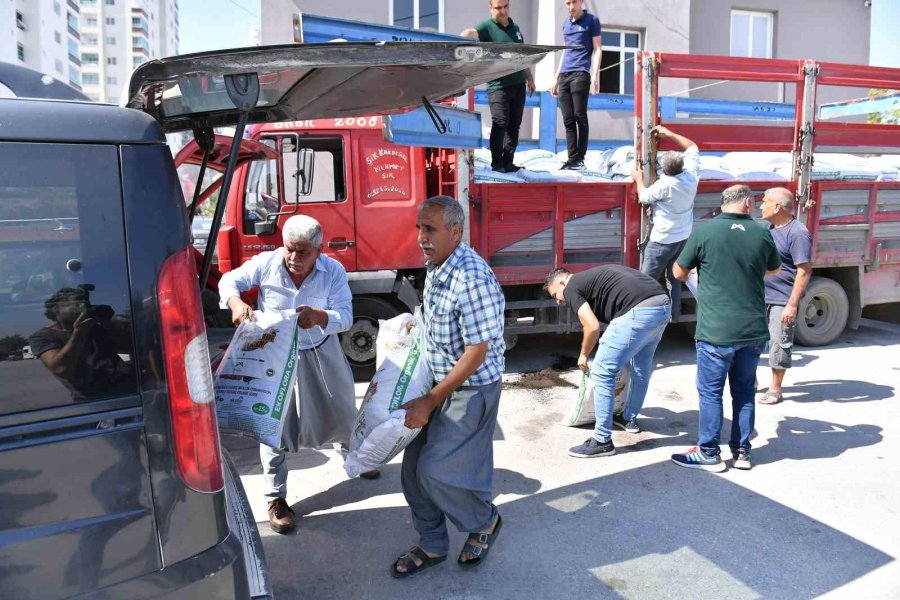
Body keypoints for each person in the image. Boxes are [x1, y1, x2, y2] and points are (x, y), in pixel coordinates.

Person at [218, 214, 367, 535]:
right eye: (289, 250)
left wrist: (320, 316)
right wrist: (235, 303)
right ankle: (276, 498)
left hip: (321, 351)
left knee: (342, 412)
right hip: (274, 354)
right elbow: (227, 281)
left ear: (319, 250)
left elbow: (346, 317)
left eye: (303, 252)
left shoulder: (334, 272)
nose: (294, 259)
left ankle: (355, 457)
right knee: (272, 425)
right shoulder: (266, 263)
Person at [391, 195, 506, 578]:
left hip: (470, 389)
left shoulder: (471, 276)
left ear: (455, 232)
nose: (421, 237)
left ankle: (484, 521)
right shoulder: (439, 264)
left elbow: (476, 351)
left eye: (430, 229)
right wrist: (416, 323)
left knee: (437, 471)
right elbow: (440, 318)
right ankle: (433, 545)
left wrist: (429, 400)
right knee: (412, 473)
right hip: (438, 383)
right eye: (419, 228)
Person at [671, 185, 781, 472]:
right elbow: (775, 269)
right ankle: (742, 452)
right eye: (754, 202)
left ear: (723, 205)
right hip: (752, 330)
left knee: (711, 392)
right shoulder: (762, 233)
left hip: (716, 331)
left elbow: (678, 272)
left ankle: (708, 452)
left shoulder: (705, 232)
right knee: (744, 392)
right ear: (747, 203)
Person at [544, 265, 670, 457]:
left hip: (638, 310)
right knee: (640, 369)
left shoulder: (571, 286)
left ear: (562, 281)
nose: (559, 301)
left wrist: (584, 354)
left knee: (602, 371)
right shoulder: (592, 278)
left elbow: (592, 326)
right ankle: (628, 418)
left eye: (555, 295)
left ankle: (602, 440)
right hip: (662, 307)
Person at [632, 126, 700, 318]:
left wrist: (638, 178)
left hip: (662, 240)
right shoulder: (691, 175)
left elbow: (644, 196)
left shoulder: (665, 185)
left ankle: (642, 317)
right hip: (683, 237)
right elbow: (692, 146)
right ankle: (673, 315)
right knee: (674, 277)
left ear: (664, 170)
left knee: (646, 281)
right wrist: (669, 133)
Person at [462, 0, 536, 173]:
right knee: (500, 122)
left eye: (505, 7)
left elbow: (522, 55)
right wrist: (457, 42)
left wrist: (530, 79)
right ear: (491, 8)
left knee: (514, 126)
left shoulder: (515, 28)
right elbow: (470, 33)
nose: (502, 11)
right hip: (498, 86)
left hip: (518, 85)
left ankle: (508, 162)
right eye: (498, 8)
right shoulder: (486, 27)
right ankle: (497, 163)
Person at [29, 286, 133, 401]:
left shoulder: (96, 328)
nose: (81, 307)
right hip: (94, 400)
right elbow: (61, 369)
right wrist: (79, 332)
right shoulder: (43, 336)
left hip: (130, 389)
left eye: (84, 304)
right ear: (55, 309)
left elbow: (131, 347)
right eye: (75, 304)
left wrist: (109, 323)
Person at [758, 187, 812, 405]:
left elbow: (804, 270)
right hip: (760, 295)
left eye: (764, 202)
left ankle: (775, 388)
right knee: (750, 341)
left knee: (779, 343)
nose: (761, 206)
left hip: (781, 297)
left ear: (777, 206)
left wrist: (792, 305)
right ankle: (750, 381)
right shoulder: (769, 228)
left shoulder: (797, 232)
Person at [551, 0, 602, 170]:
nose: (571, 6)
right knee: (568, 119)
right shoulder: (566, 24)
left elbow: (598, 49)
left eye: (574, 2)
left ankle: (580, 158)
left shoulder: (591, 20)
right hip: (565, 75)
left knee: (580, 115)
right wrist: (556, 77)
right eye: (567, 3)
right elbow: (565, 51)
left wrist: (594, 74)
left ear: (581, 2)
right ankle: (572, 158)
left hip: (581, 74)